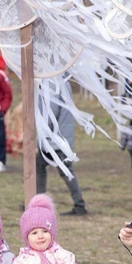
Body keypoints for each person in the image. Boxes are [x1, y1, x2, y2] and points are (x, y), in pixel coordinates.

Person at [37, 83, 87, 216]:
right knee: (39, 166)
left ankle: (80, 205)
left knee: (65, 171)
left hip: (56, 140)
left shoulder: (53, 84)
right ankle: (37, 203)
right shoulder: (58, 82)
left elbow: (50, 112)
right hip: (55, 139)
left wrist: (41, 128)